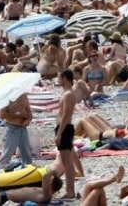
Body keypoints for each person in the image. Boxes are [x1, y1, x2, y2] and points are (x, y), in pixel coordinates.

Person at [0, 93, 33, 172]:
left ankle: (28, 170)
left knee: (27, 153)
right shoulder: (7, 96)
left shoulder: (23, 95)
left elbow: (29, 111)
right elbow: (2, 115)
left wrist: (27, 119)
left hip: (23, 128)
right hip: (12, 128)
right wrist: (20, 115)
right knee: (8, 152)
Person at [55, 69, 77, 199]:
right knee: (66, 160)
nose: (58, 80)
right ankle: (70, 190)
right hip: (64, 128)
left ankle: (70, 191)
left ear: (65, 78)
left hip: (65, 128)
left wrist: (59, 134)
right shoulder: (67, 93)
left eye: (59, 77)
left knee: (68, 162)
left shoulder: (68, 94)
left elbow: (66, 115)